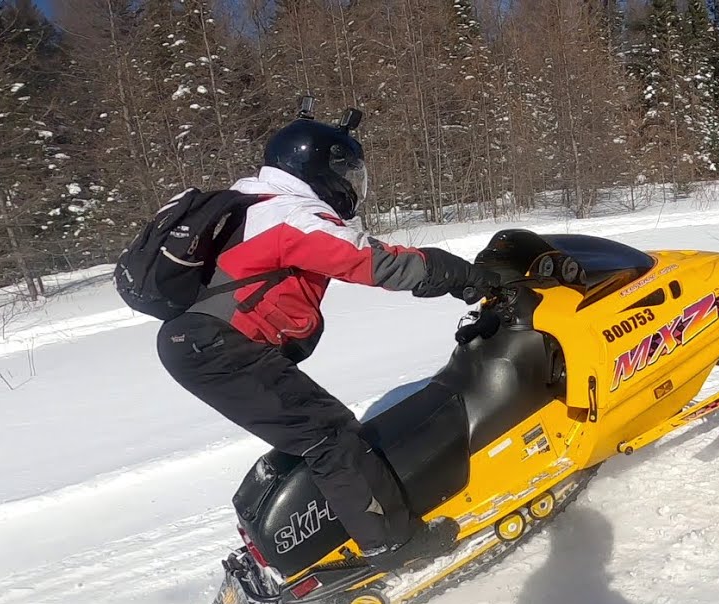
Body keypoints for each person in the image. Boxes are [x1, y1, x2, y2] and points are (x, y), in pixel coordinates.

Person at [155, 107, 500, 572]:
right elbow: (372, 262)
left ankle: (328, 530)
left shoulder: (250, 202)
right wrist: (455, 273)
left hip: (201, 344)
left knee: (308, 431)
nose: (350, 183)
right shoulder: (288, 215)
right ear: (316, 167)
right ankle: (392, 545)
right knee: (331, 435)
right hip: (219, 348)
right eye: (345, 171)